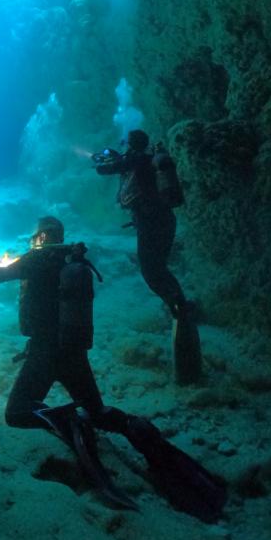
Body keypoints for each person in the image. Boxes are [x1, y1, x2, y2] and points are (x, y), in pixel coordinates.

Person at [0, 215, 225, 519]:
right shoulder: (74, 260)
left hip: (45, 354)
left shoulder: (35, 259)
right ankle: (155, 448)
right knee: (99, 413)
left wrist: (6, 260)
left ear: (41, 237)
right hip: (75, 354)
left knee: (17, 412)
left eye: (35, 237)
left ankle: (68, 421)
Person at [94, 129, 202, 385]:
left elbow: (104, 170)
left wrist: (102, 160)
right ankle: (179, 305)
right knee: (157, 268)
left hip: (152, 221)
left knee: (151, 270)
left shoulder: (138, 160)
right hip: (162, 220)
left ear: (132, 145)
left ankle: (179, 307)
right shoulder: (146, 160)